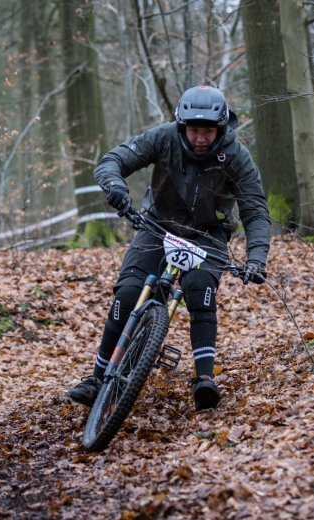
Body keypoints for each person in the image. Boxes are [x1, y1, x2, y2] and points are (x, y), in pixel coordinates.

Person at [67, 85, 270, 411]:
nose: (200, 138)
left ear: (221, 127)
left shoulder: (235, 156)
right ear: (181, 126)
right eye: (193, 130)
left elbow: (255, 210)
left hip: (207, 233)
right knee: (128, 293)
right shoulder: (163, 138)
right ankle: (97, 378)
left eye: (207, 131)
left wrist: (256, 259)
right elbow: (113, 160)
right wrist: (116, 186)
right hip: (157, 225)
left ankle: (205, 379)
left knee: (198, 285)